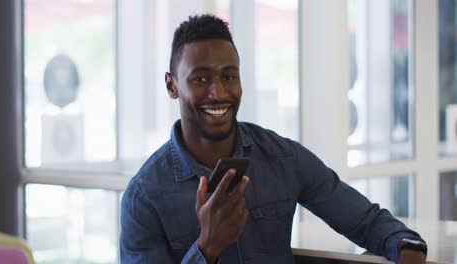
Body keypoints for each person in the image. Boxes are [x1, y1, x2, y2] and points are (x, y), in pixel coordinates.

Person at [120, 14, 427, 264]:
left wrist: (406, 248)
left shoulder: (283, 158)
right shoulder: (144, 197)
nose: (219, 93)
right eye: (200, 79)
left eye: (229, 76)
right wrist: (207, 248)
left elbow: (367, 222)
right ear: (172, 86)